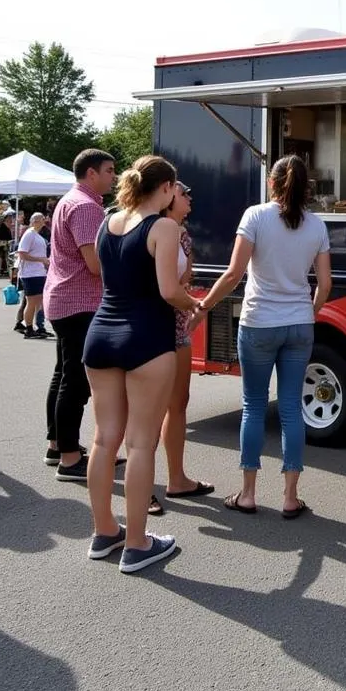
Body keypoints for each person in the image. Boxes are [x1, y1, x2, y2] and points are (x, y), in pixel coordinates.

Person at [83, 155, 205, 574]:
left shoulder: (107, 221)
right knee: (139, 442)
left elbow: (104, 273)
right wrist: (195, 303)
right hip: (146, 339)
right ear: (168, 187)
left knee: (103, 441)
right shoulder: (164, 227)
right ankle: (137, 543)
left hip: (101, 335)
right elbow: (169, 289)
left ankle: (104, 532)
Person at [196, 155, 331, 518]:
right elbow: (326, 284)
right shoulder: (316, 225)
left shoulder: (254, 216)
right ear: (307, 187)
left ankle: (248, 494)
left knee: (254, 406)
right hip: (299, 325)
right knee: (291, 409)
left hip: (258, 323)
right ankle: (290, 497)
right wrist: (309, 312)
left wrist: (203, 307)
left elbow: (233, 274)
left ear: (272, 183)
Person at [43, 150, 117, 477]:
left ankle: (58, 445)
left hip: (63, 299)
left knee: (64, 375)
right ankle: (71, 459)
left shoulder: (70, 200)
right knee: (76, 382)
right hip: (80, 303)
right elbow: (95, 264)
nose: (114, 177)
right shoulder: (87, 207)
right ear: (91, 173)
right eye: (109, 170)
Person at [155, 181, 214, 508]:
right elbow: (165, 285)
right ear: (166, 198)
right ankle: (145, 489)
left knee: (179, 402)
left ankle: (177, 479)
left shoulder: (183, 235)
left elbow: (184, 278)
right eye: (183, 193)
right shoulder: (150, 230)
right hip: (152, 325)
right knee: (148, 409)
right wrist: (194, 304)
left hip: (177, 323)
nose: (190, 197)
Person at [17, 212, 50, 339]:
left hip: (38, 272)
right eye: (42, 219)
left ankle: (39, 327)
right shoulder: (29, 234)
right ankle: (29, 329)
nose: (44, 221)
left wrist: (44, 262)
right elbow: (22, 254)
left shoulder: (36, 235)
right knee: (31, 302)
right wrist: (41, 260)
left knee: (39, 301)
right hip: (30, 274)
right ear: (36, 221)